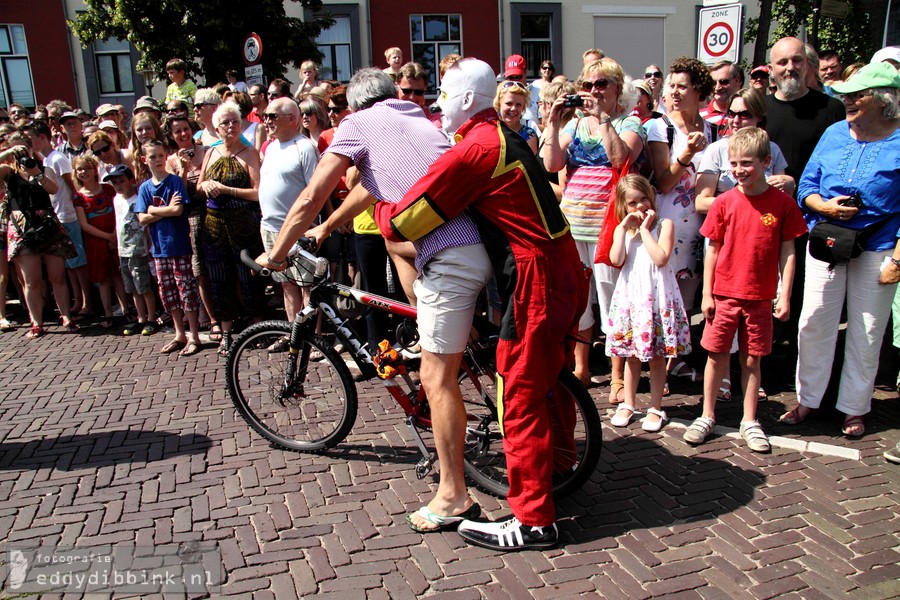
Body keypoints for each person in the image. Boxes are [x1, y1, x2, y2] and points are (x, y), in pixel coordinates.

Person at [260, 67, 491, 538]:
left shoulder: (358, 124)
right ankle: (448, 346)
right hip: (468, 247)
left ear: (353, 106)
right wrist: (327, 228)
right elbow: (368, 187)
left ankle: (454, 497)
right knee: (392, 241)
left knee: (436, 376)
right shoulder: (418, 119)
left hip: (449, 259)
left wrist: (278, 252)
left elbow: (309, 196)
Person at [374, 57, 589, 551]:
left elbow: (405, 224)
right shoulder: (504, 135)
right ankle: (560, 462)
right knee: (546, 377)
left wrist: (374, 200)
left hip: (536, 277)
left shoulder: (475, 150)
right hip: (561, 265)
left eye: (444, 95)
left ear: (467, 100)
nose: (436, 104)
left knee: (516, 392)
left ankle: (534, 519)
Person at [779, 62, 900, 438]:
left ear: (884, 101)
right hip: (828, 241)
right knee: (813, 320)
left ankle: (854, 407)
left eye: (856, 95)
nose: (846, 101)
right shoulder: (834, 133)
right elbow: (806, 186)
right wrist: (823, 206)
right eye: (845, 94)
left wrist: (898, 258)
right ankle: (809, 399)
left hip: (878, 247)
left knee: (866, 329)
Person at [685, 127, 807, 452]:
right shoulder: (723, 202)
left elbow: (788, 251)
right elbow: (712, 248)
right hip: (724, 294)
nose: (739, 170)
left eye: (746, 163)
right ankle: (707, 414)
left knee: (753, 360)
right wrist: (708, 293)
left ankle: (749, 420)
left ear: (767, 161)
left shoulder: (782, 204)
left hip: (760, 297)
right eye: (733, 164)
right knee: (715, 356)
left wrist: (785, 294)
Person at [542, 57, 644, 394]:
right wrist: (554, 124)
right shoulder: (574, 125)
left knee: (613, 300)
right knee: (579, 303)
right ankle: (582, 369)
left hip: (609, 226)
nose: (593, 91)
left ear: (618, 89)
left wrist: (602, 120)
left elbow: (620, 159)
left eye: (601, 84)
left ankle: (617, 375)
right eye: (588, 85)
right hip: (574, 224)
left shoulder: (630, 122)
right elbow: (552, 163)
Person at [764, 36, 845, 384]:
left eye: (797, 61)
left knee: (804, 295)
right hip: (766, 216)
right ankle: (765, 364)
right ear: (772, 69)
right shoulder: (762, 108)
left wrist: (797, 183)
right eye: (782, 63)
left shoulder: (831, 110)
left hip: (812, 216)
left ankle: (801, 369)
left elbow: (837, 165)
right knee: (767, 287)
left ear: (808, 65)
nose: (790, 68)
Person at [646, 57, 716, 383]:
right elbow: (662, 181)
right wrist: (686, 155)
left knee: (689, 293)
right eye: (671, 85)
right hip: (670, 219)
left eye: (682, 86)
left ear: (698, 91)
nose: (674, 92)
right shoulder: (660, 126)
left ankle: (679, 356)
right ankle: (661, 358)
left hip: (702, 220)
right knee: (665, 291)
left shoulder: (714, 128)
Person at [606, 175, 691, 433]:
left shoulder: (665, 225)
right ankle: (629, 403)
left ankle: (655, 406)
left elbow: (661, 258)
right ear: (624, 206)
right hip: (632, 299)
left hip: (655, 298)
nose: (640, 206)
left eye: (644, 199)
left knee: (655, 357)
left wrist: (645, 230)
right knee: (631, 355)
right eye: (633, 203)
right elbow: (616, 259)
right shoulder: (624, 230)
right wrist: (621, 229)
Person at [197, 102, 264, 355]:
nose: (231, 126)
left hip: (243, 223)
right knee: (218, 277)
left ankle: (257, 327)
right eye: (225, 122)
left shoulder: (250, 152)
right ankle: (227, 332)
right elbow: (199, 185)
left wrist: (226, 189)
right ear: (216, 127)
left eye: (235, 121)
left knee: (248, 277)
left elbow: (258, 193)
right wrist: (205, 187)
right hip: (214, 225)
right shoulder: (211, 153)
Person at [258, 98, 319, 350]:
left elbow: (315, 190)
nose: (267, 121)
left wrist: (311, 227)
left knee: (307, 285)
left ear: (292, 119)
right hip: (270, 227)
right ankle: (293, 334)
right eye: (266, 116)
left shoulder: (304, 148)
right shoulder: (271, 147)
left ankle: (312, 339)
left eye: (273, 116)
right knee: (286, 284)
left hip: (297, 229)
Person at [0, 138, 76, 338]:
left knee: (57, 276)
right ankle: (36, 322)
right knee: (31, 280)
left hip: (48, 225)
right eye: (19, 149)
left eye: (25, 148)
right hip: (23, 227)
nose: (22, 154)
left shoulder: (43, 167)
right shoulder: (8, 172)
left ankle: (66, 316)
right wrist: (8, 153)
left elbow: (53, 189)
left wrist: (36, 172)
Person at [135, 139, 202, 356]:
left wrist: (153, 209)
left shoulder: (174, 181)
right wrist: (159, 209)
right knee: (168, 293)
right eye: (153, 156)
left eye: (161, 155)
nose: (158, 160)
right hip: (159, 249)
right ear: (145, 160)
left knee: (186, 290)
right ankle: (179, 333)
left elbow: (177, 211)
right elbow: (142, 218)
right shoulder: (145, 187)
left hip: (179, 245)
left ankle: (194, 334)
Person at [24, 121, 93, 319]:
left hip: (68, 214)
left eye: (32, 139)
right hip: (56, 216)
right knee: (68, 263)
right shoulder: (44, 160)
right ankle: (77, 300)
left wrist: (79, 205)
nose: (30, 143)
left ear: (42, 137)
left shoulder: (57, 158)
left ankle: (88, 301)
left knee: (78, 261)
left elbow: (72, 185)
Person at [72, 154, 128, 328]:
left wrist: (114, 235)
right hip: (95, 241)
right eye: (80, 169)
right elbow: (84, 224)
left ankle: (126, 310)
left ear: (95, 170)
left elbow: (117, 212)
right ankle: (108, 313)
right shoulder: (78, 197)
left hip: (115, 234)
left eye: (87, 168)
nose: (83, 172)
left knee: (118, 274)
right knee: (103, 278)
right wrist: (107, 237)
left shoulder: (108, 189)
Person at [106, 164, 157, 337]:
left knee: (143, 285)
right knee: (132, 287)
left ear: (131, 181)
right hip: (123, 249)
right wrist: (115, 238)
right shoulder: (116, 199)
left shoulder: (137, 200)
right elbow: (118, 221)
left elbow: (146, 225)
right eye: (115, 183)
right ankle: (140, 317)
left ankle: (151, 317)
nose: (119, 185)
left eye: (121, 181)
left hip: (138, 249)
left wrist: (149, 246)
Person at [494, 81, 538, 154]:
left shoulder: (529, 135)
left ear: (523, 107)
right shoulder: (490, 130)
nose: (513, 108)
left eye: (518, 105)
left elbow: (529, 164)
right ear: (499, 103)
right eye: (509, 103)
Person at [700, 61, 743, 128]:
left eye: (723, 82)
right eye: (713, 83)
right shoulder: (699, 117)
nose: (717, 87)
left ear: (737, 81)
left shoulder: (749, 116)